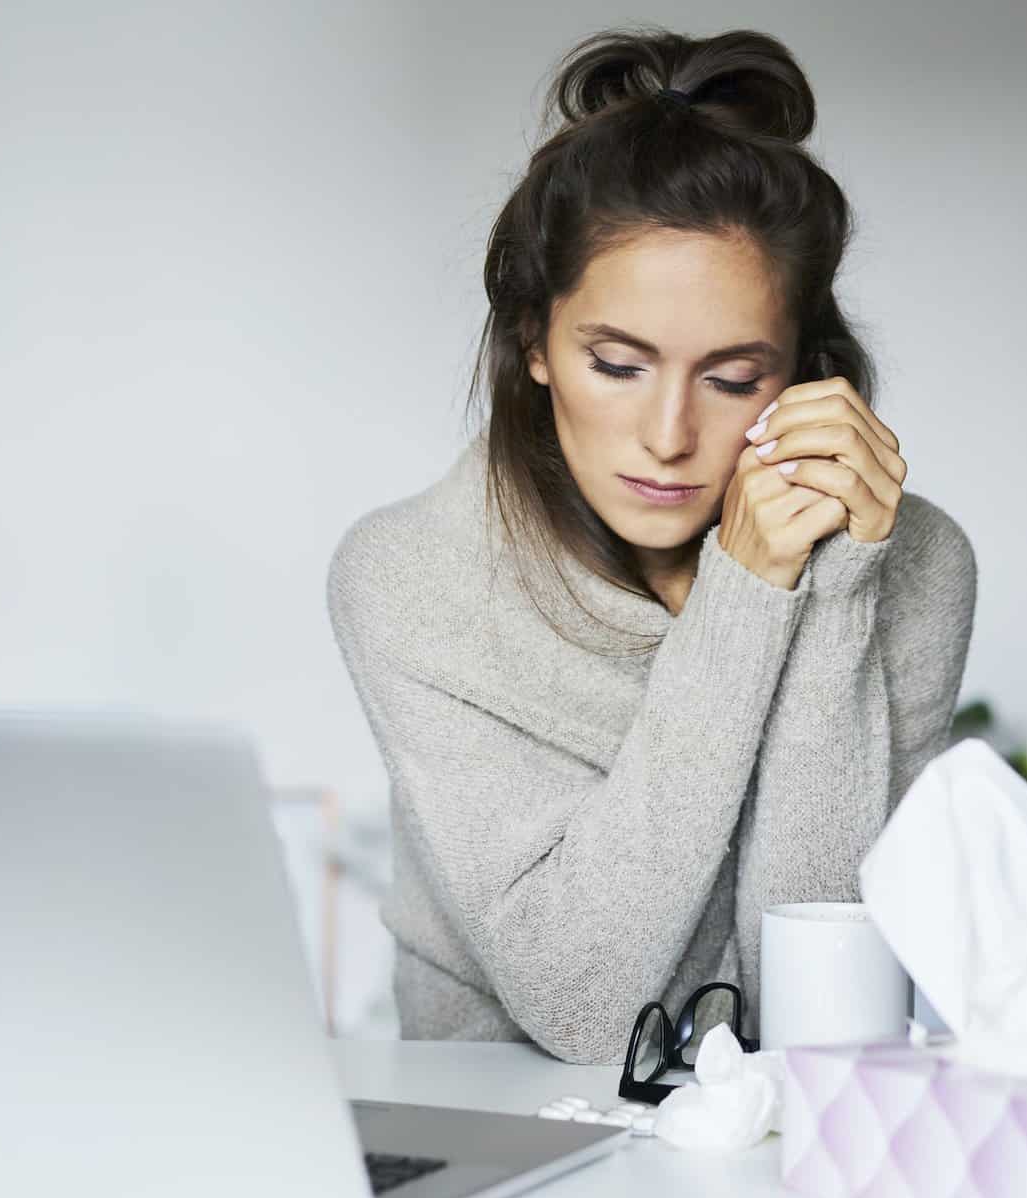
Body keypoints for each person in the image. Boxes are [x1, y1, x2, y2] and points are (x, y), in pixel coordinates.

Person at [325, 26, 976, 1064]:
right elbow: (585, 1008)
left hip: (784, 1159)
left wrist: (833, 589)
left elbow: (819, 1019)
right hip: (504, 1144)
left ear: (804, 372)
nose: (670, 436)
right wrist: (746, 590)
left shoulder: (912, 567)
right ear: (533, 341)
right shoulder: (411, 580)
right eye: (618, 364)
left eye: (731, 379)